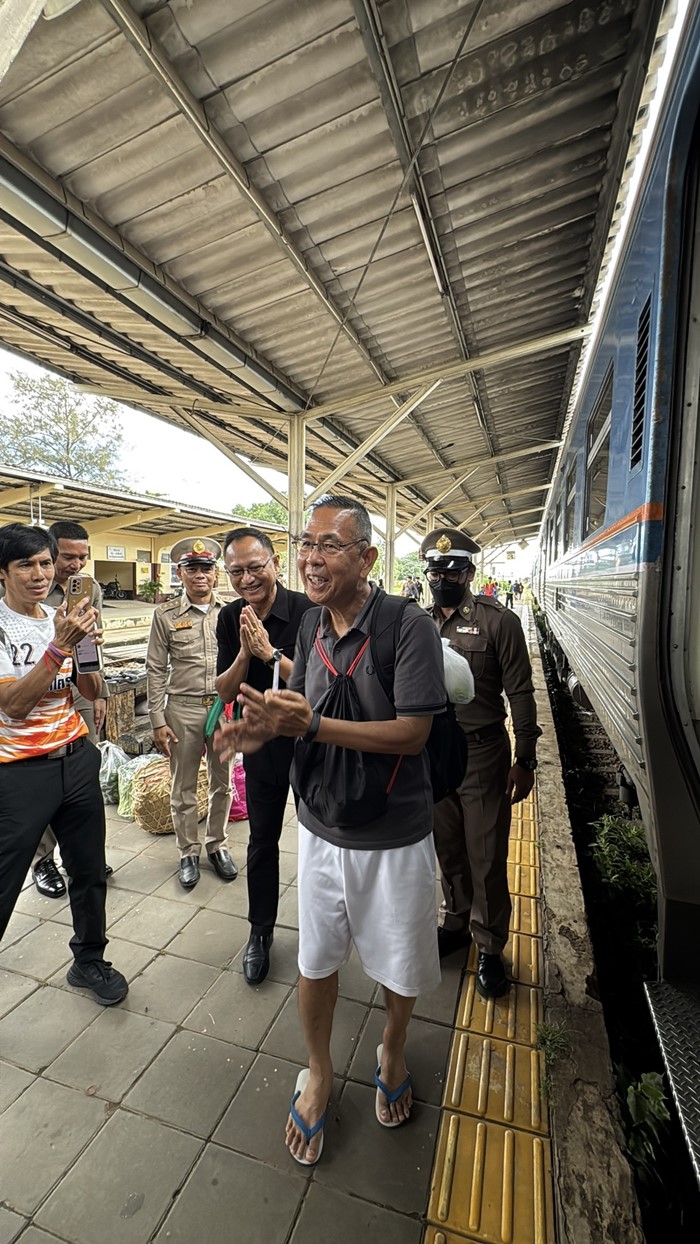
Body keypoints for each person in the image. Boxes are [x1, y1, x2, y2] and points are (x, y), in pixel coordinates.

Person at [216, 495, 446, 1165]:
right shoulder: (312, 624)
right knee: (316, 961)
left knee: (400, 961)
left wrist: (311, 725)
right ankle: (318, 1071)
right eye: (306, 544)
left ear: (367, 558)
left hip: (395, 835)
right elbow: (308, 705)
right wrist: (257, 729)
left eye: (329, 546)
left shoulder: (407, 627)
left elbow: (414, 731)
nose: (311, 559)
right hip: (319, 826)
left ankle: (392, 1048)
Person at [0, 523, 127, 1005]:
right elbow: (13, 706)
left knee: (90, 869)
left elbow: (90, 691)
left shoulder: (63, 617)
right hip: (19, 771)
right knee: (6, 878)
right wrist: (59, 648)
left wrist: (89, 646)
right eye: (25, 565)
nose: (39, 574)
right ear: (2, 572)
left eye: (45, 563)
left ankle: (89, 961)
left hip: (75, 760)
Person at [421, 528, 541, 999]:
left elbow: (522, 693)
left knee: (486, 854)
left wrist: (525, 757)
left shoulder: (499, 622)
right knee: (447, 846)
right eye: (435, 570)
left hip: (483, 753)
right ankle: (456, 921)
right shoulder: (417, 621)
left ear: (470, 573)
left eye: (452, 570)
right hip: (434, 752)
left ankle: (490, 946)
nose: (442, 577)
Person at [215, 527, 313, 985]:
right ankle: (260, 931)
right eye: (237, 571)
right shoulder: (230, 615)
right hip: (262, 749)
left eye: (256, 567)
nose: (247, 579)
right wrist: (242, 650)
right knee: (261, 841)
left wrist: (269, 653)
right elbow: (223, 688)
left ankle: (324, 930)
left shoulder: (309, 612)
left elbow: (321, 686)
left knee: (321, 842)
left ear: (275, 561)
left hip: (314, 744)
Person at [146, 537, 237, 890]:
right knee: (182, 787)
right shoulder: (165, 615)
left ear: (215, 575)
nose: (200, 575)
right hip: (181, 710)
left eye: (206, 569)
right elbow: (155, 669)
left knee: (223, 783)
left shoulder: (230, 612)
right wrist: (158, 720)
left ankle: (217, 845)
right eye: (192, 569)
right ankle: (187, 851)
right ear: (180, 574)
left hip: (221, 708)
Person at [33, 521, 110, 898]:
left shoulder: (89, 588)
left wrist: (100, 694)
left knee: (82, 770)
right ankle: (42, 858)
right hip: (34, 688)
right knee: (43, 777)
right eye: (68, 556)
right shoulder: (28, 585)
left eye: (83, 556)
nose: (76, 564)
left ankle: (82, 852)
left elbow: (94, 643)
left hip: (78, 687)